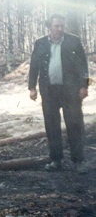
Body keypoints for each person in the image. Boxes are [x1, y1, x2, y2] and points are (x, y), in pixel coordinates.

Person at [28, 14, 90, 173]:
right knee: (52, 126)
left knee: (75, 125)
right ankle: (56, 160)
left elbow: (83, 66)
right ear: (50, 27)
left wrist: (84, 86)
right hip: (49, 92)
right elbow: (34, 66)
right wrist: (32, 87)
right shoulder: (40, 43)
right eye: (57, 26)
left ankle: (79, 161)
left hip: (70, 91)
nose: (60, 29)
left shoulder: (73, 41)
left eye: (62, 26)